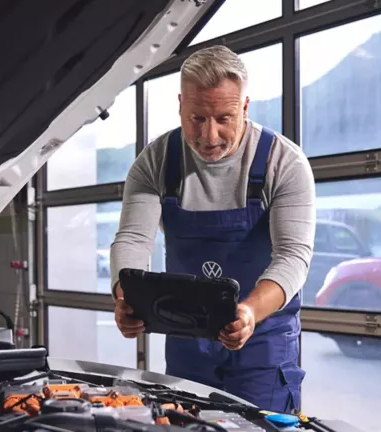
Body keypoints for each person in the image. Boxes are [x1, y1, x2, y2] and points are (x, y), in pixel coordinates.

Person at [109, 45, 316, 413]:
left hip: (262, 342)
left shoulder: (283, 162)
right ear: (180, 105)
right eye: (197, 117)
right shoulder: (155, 162)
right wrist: (125, 295)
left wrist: (249, 312)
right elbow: (133, 239)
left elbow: (293, 257)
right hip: (186, 340)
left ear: (246, 107)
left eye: (224, 117)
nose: (210, 134)